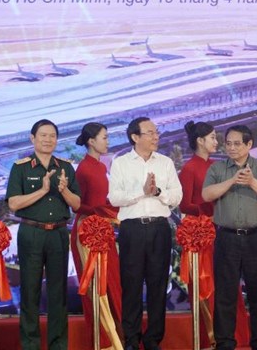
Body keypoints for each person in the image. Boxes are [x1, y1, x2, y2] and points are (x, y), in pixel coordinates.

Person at [202, 124, 257, 350]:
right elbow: (207, 194)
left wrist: (252, 182)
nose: (232, 148)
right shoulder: (217, 169)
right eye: (228, 143)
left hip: (256, 237)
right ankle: (225, 342)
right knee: (225, 293)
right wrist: (233, 180)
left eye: (237, 144)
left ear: (249, 145)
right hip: (226, 237)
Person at [6, 119, 81, 350]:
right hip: (32, 233)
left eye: (52, 136)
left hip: (58, 233)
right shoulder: (21, 167)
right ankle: (31, 345)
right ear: (32, 138)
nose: (48, 140)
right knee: (30, 291)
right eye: (43, 135)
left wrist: (64, 190)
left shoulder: (66, 167)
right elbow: (14, 203)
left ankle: (58, 345)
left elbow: (77, 205)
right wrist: (43, 190)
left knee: (58, 293)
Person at [108, 117, 182, 350]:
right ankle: (131, 339)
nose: (156, 137)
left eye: (156, 132)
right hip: (132, 229)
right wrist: (140, 193)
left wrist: (157, 191)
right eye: (150, 133)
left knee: (158, 285)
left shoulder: (166, 163)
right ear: (135, 137)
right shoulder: (121, 163)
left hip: (160, 228)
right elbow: (114, 198)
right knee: (131, 285)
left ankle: (152, 340)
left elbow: (176, 196)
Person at [179, 120, 250, 349]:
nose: (216, 142)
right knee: (205, 286)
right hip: (201, 235)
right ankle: (209, 337)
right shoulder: (190, 168)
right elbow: (184, 205)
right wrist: (206, 212)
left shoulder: (217, 166)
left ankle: (234, 336)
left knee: (227, 284)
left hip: (221, 231)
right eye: (212, 138)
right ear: (200, 141)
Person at [70, 122, 123, 350]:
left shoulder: (101, 167)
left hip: (103, 229)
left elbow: (104, 201)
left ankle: (118, 338)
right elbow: (80, 205)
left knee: (112, 283)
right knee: (96, 287)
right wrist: (108, 212)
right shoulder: (83, 169)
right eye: (104, 137)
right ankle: (104, 342)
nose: (107, 141)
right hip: (88, 232)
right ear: (91, 141)